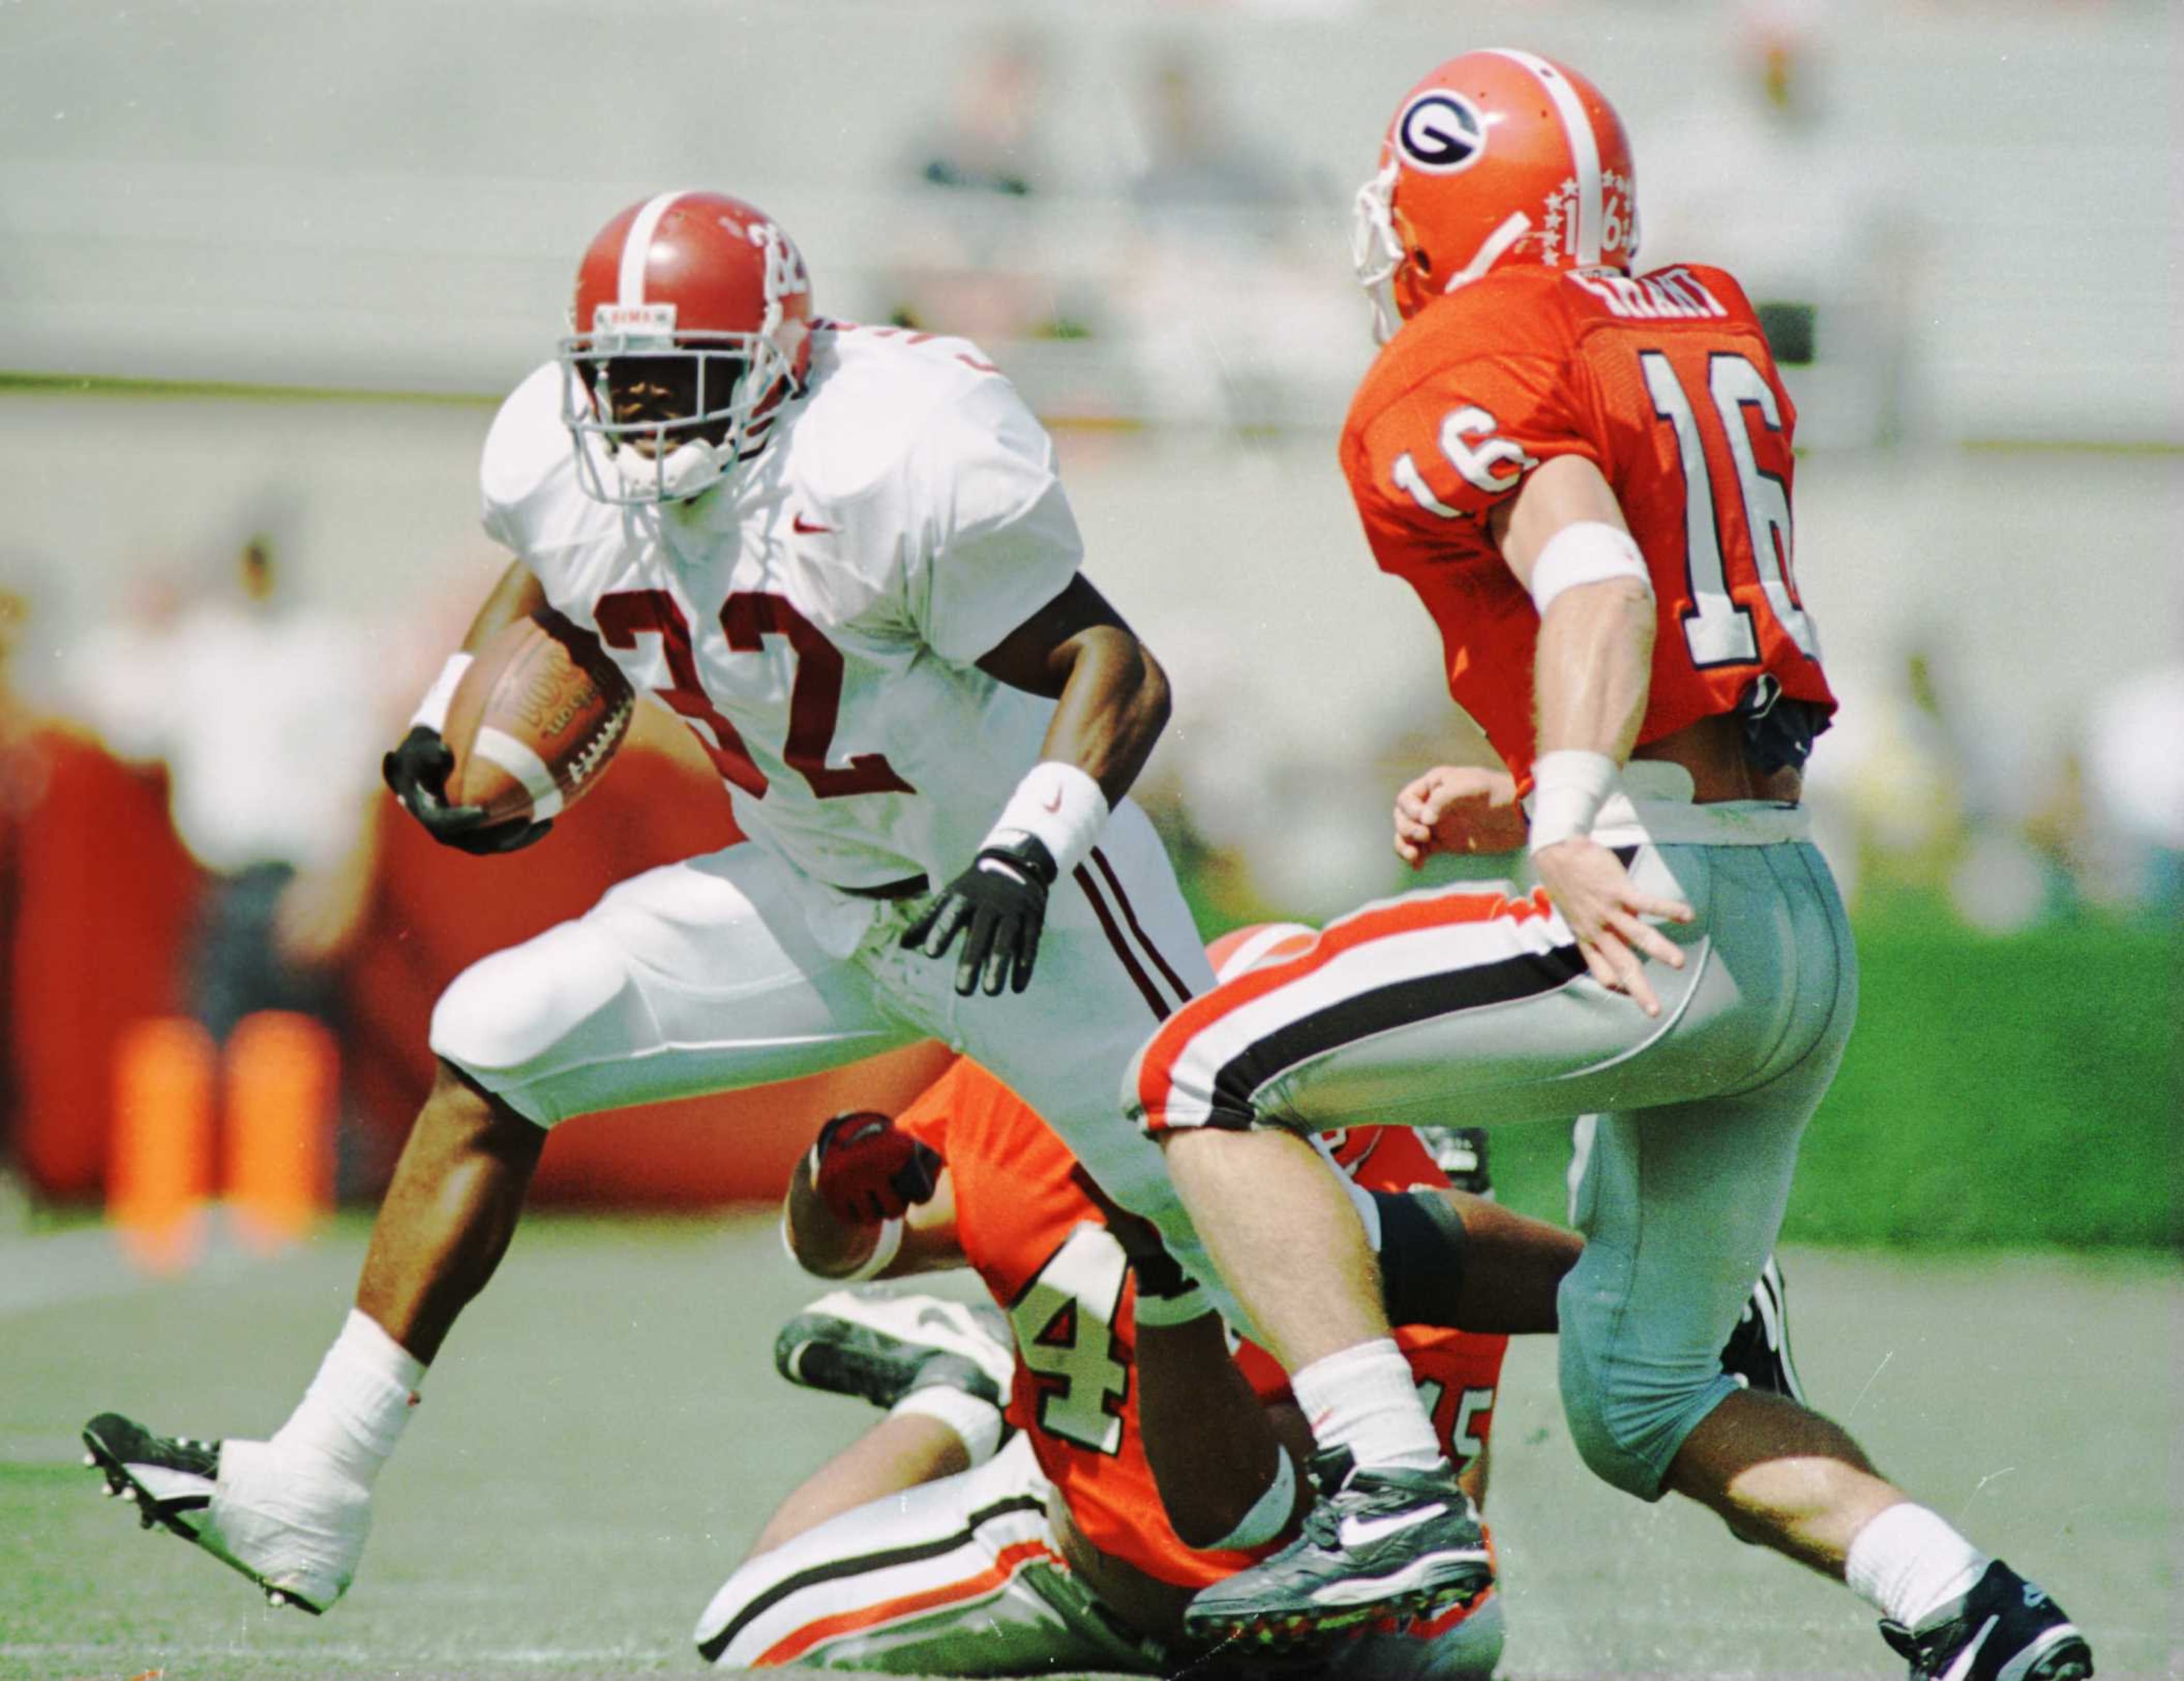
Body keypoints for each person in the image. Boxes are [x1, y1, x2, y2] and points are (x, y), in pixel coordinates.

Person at [81, 189, 1221, 1616]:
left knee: (1218, 1201)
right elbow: (562, 574)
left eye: (670, 384)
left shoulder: (892, 454)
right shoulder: (575, 466)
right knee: (498, 1030)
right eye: (611, 380)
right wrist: (455, 715)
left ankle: (1385, 1471)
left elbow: (1118, 665)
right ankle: (317, 1477)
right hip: (814, 892)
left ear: (774, 366)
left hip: (1014, 901)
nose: (632, 417)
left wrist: (1029, 850)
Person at [1127, 52, 2094, 1681]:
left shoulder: (1468, 351)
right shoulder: (1688, 312)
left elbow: (1601, 587)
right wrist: (1539, 786)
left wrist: (1563, 817)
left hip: (1662, 909)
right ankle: (1970, 1606)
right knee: (1644, 1396)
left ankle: (1387, 1482)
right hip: (1791, 898)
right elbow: (1698, 643)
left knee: (1203, 1065)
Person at [694, 926, 1806, 1675]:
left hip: (1303, 1585)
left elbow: (1248, 1520)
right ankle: (962, 1392)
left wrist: (1169, 1277)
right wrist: (828, 1177)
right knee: (754, 1622)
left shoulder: (1415, 1210)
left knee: (1435, 1638)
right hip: (1082, 1537)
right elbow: (851, 1246)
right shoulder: (1029, 1102)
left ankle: (983, 1379)